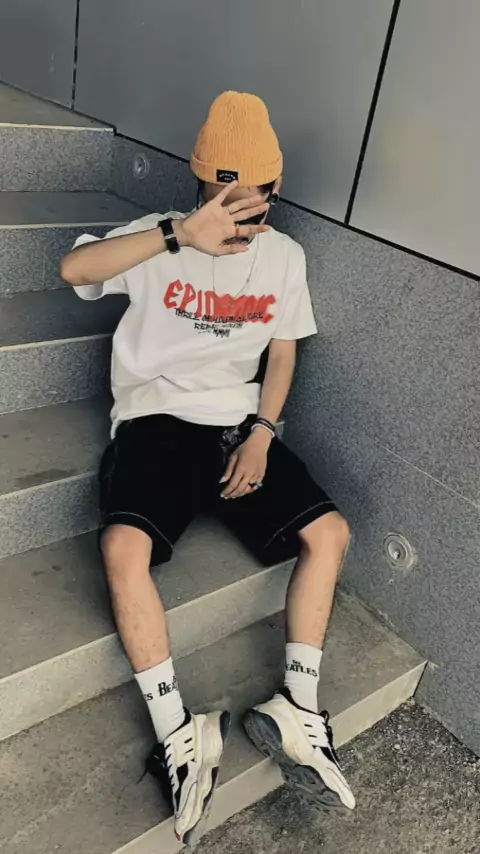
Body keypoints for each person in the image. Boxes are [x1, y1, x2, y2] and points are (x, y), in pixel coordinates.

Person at [61, 91, 355, 845]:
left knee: (330, 533)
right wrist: (177, 236)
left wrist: (263, 432)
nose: (241, 217)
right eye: (226, 199)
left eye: (255, 201)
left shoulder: (284, 257)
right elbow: (74, 267)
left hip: (237, 426)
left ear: (277, 190)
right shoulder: (160, 238)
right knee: (122, 548)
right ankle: (178, 734)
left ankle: (298, 709)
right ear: (199, 183)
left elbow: (282, 350)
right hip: (157, 420)